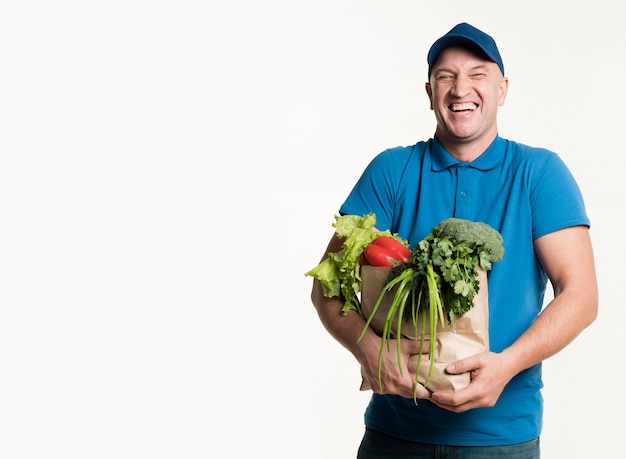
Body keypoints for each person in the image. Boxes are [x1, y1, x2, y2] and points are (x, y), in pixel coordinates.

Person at [309, 22, 598, 458]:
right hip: (395, 434)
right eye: (446, 76)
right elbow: (325, 286)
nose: (461, 88)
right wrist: (367, 346)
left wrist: (507, 367)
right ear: (429, 92)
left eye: (478, 74)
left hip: (502, 439)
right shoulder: (392, 171)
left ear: (502, 88)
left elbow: (581, 296)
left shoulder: (539, 174)